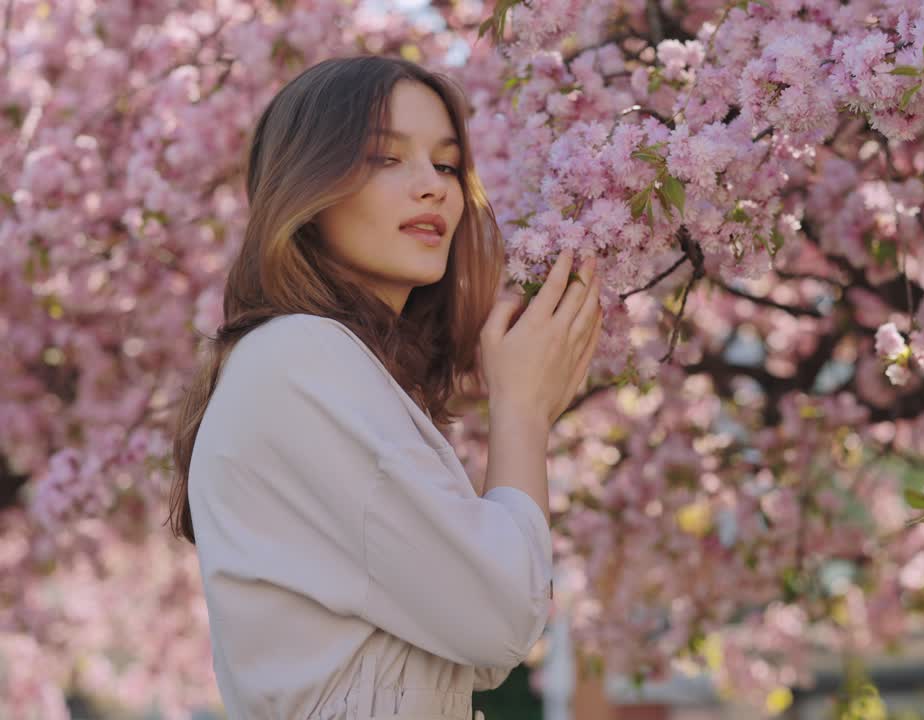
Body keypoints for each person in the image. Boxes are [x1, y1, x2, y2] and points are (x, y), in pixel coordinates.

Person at [167, 55, 603, 719]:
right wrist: (522, 411)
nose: (432, 187)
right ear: (307, 189)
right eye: (385, 158)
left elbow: (480, 644)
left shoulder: (323, 366)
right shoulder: (299, 357)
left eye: (448, 164)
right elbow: (499, 618)